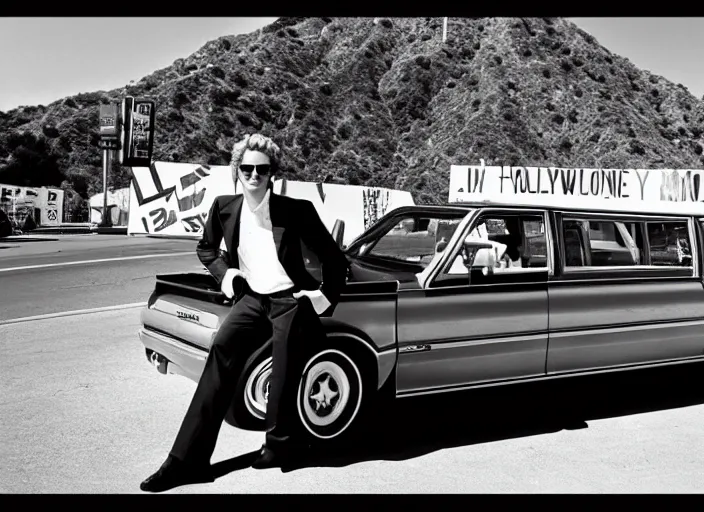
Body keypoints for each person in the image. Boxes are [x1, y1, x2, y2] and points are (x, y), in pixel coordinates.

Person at [140, 133, 349, 492]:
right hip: (251, 300)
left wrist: (322, 298)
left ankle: (280, 448)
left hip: (289, 300)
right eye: (247, 168)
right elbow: (206, 249)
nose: (254, 175)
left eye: (262, 170)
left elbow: (334, 259)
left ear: (272, 174)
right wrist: (227, 275)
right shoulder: (225, 207)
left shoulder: (296, 211)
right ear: (237, 171)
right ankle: (185, 462)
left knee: (283, 378)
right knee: (219, 360)